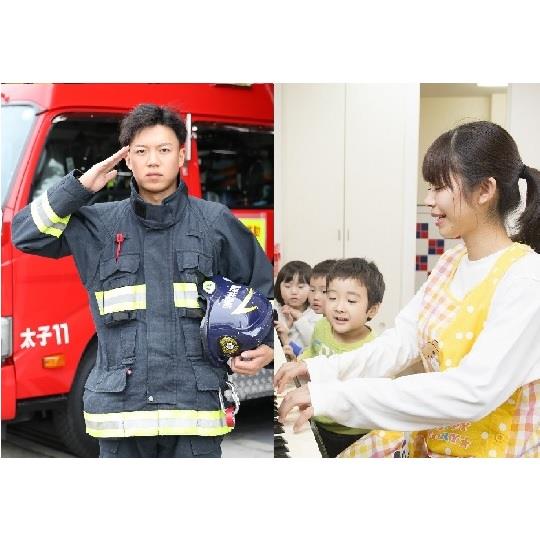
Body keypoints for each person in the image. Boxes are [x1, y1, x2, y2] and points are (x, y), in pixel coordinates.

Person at [12, 103, 274, 458]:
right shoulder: (98, 225)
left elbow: (260, 295)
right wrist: (81, 186)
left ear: (181, 155)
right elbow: (25, 235)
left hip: (194, 417)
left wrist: (267, 349)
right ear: (127, 160)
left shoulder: (215, 223)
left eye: (164, 150)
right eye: (141, 151)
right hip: (121, 418)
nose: (153, 161)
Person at [276, 120, 540, 458]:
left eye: (439, 187)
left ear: (484, 190)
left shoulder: (526, 279)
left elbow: (473, 392)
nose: (428, 200)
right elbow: (401, 341)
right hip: (436, 440)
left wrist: (335, 397)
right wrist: (320, 370)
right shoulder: (451, 261)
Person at [296, 258, 385, 457]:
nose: (339, 307)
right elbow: (313, 352)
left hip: (352, 433)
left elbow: (367, 398)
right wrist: (299, 362)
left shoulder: (374, 350)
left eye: (351, 301)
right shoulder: (322, 326)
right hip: (316, 420)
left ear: (372, 310)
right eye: (332, 297)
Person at [274, 260, 313, 353]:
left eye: (300, 287)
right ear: (279, 287)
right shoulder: (274, 310)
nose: (294, 292)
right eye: (288, 286)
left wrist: (300, 318)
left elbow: (315, 344)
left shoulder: (315, 313)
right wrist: (286, 327)